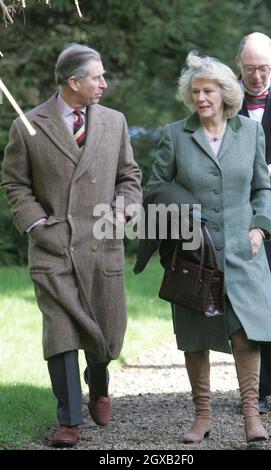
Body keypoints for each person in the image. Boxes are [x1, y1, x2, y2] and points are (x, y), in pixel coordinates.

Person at [134, 51, 271, 443]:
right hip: (194, 252)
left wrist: (260, 227)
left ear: (224, 94)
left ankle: (252, 414)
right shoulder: (174, 135)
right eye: (195, 92)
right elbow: (156, 187)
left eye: (208, 91)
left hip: (243, 249)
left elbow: (261, 187)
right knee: (196, 333)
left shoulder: (250, 132)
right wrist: (186, 212)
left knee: (247, 331)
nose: (201, 98)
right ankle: (202, 416)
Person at [1, 43, 142, 447]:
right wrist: (36, 224)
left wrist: (121, 212)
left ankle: (99, 383)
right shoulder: (28, 125)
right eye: (97, 77)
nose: (104, 83)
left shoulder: (114, 122)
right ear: (73, 82)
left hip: (101, 245)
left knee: (104, 333)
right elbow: (15, 183)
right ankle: (69, 420)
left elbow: (129, 177)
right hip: (53, 246)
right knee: (61, 332)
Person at [236, 32, 271, 413]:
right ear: (238, 65)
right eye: (250, 68)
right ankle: (258, 386)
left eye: (264, 68)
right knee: (253, 301)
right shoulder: (226, 100)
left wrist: (264, 175)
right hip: (242, 218)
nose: (257, 76)